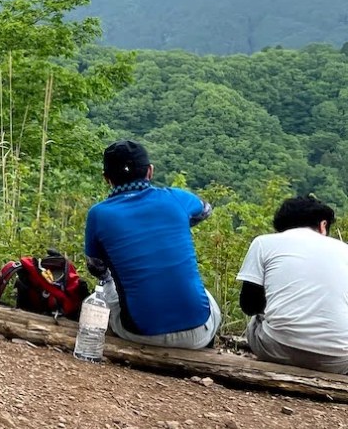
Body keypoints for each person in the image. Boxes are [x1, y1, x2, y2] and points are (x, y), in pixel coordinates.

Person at [84, 139, 221, 349]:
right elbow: (206, 210)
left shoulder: (98, 214)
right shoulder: (176, 198)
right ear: (150, 171)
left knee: (99, 295)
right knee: (201, 292)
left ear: (106, 179)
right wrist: (179, 223)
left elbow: (96, 266)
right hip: (198, 332)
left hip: (138, 333)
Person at [236, 196, 348, 374]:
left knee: (256, 321)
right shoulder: (344, 250)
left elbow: (249, 305)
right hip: (338, 361)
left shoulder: (263, 243)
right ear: (323, 225)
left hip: (276, 349)